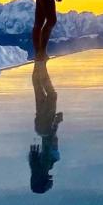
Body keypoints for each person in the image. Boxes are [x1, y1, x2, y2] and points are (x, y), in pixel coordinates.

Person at [28, 59, 63, 194]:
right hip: (41, 127)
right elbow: (49, 141)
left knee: (51, 95)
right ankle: (39, 65)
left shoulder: (47, 163)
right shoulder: (38, 165)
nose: (50, 184)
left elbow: (49, 141)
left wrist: (56, 122)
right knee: (40, 93)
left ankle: (41, 65)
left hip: (46, 126)